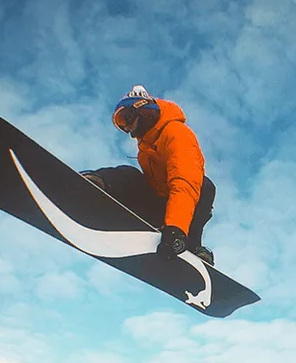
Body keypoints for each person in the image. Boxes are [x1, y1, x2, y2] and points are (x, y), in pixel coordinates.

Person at [81, 85, 216, 265]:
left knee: (205, 187)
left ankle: (190, 246)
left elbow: (185, 182)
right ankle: (93, 186)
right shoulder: (143, 150)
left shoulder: (176, 133)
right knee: (129, 174)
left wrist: (175, 227)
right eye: (121, 125)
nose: (127, 128)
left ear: (143, 109)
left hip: (180, 215)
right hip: (158, 209)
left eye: (126, 118)